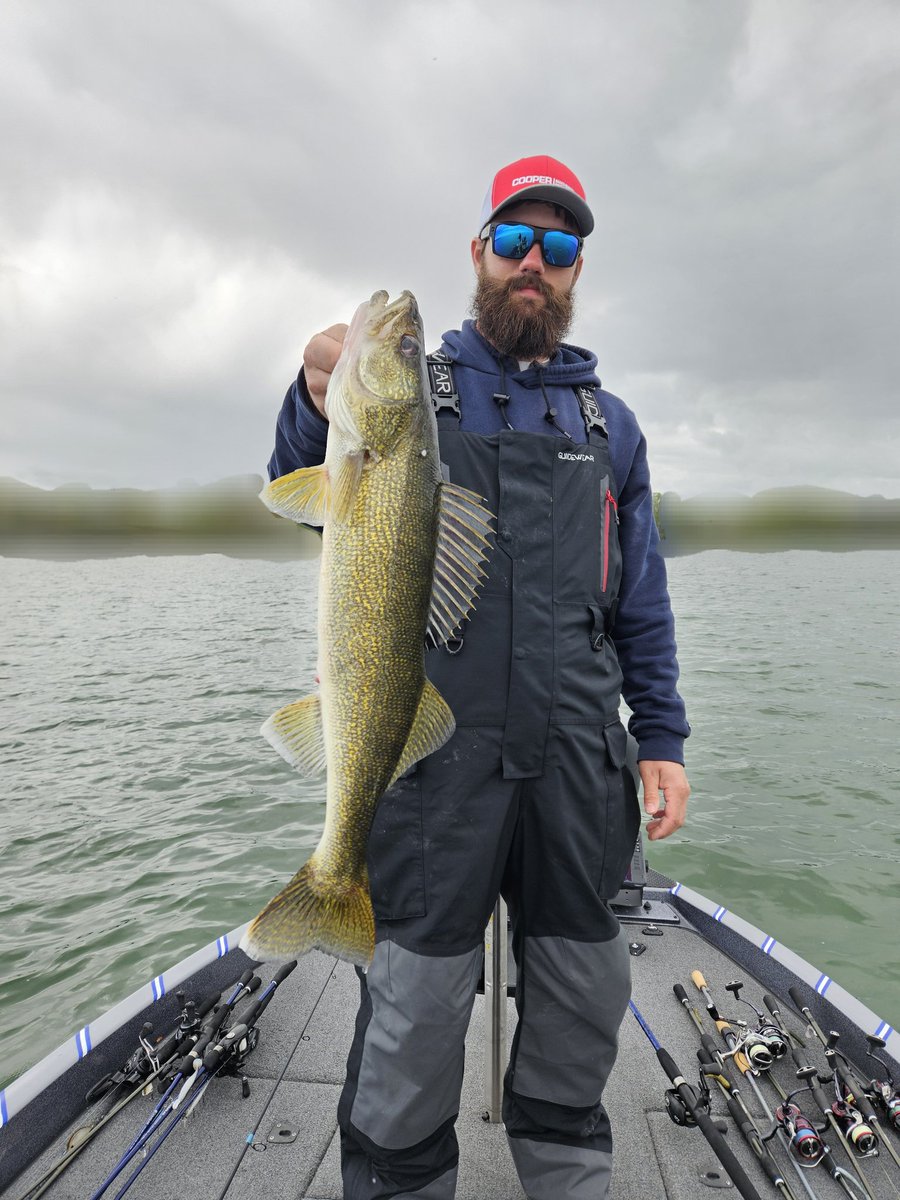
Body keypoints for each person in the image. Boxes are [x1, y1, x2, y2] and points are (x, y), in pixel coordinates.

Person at [268, 154, 691, 1200]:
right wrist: (314, 392)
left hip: (579, 777)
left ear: (577, 268)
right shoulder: (420, 395)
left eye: (557, 247)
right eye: (514, 241)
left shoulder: (613, 427)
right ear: (480, 253)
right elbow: (321, 486)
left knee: (582, 1013)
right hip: (435, 774)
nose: (532, 264)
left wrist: (663, 739)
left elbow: (640, 597)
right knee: (409, 1027)